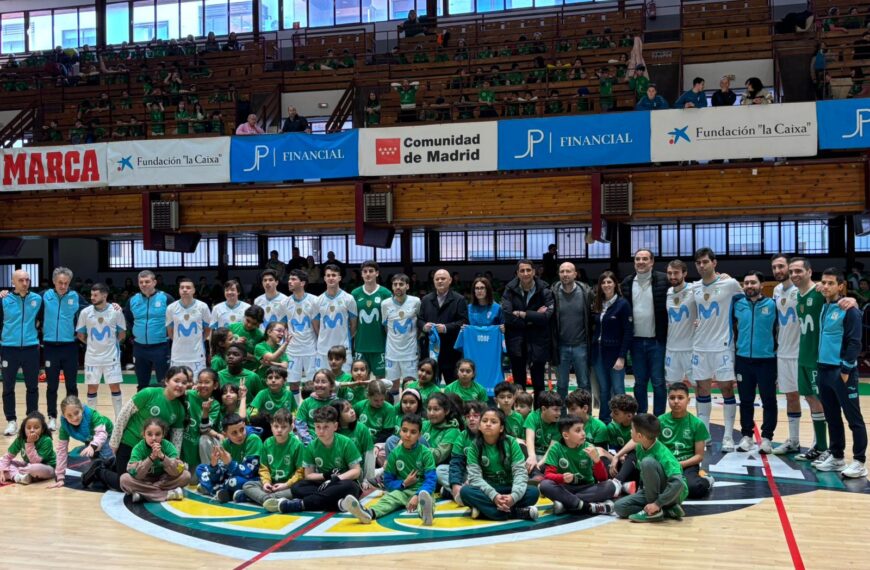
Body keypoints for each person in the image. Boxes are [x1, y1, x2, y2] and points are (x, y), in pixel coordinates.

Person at [84, 367, 187, 491]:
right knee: (122, 483)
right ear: (166, 381)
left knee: (152, 478)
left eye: (184, 383)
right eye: (176, 381)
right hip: (129, 444)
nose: (180, 385)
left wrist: (174, 461)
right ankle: (99, 470)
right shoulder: (149, 393)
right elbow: (123, 415)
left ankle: (141, 484)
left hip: (154, 451)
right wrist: (115, 442)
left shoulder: (180, 409)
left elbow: (177, 438)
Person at [815, 269, 867, 478]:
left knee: (853, 418)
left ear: (841, 285)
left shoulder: (849, 310)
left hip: (841, 372)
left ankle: (859, 461)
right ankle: (837, 457)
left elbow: (855, 342)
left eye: (830, 283)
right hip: (823, 370)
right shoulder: (825, 306)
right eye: (823, 283)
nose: (826, 286)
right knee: (832, 417)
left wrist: (846, 369)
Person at [691, 248, 742, 451]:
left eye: (705, 262)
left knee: (726, 389)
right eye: (698, 263)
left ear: (714, 262)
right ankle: (705, 436)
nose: (702, 266)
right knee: (701, 390)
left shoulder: (729, 284)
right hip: (699, 346)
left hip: (722, 346)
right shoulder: (693, 287)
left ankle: (728, 436)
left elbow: (746, 301)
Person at [345, 413, 436, 525]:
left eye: (413, 432)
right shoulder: (394, 454)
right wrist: (404, 483)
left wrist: (417, 495)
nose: (408, 435)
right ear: (400, 432)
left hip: (422, 489)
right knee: (388, 499)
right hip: (403, 490)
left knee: (427, 500)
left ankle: (426, 514)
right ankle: (368, 513)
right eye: (404, 430)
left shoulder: (426, 453)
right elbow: (388, 482)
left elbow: (431, 479)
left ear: (419, 435)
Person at [273, 406, 363, 513]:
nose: (321, 431)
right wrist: (325, 476)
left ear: (335, 426)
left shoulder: (346, 443)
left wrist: (337, 479)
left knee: (350, 487)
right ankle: (339, 504)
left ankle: (300, 504)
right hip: (324, 483)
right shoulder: (311, 446)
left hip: (344, 482)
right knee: (297, 487)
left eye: (326, 427)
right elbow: (308, 475)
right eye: (318, 427)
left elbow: (356, 471)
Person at [461, 408, 540, 521]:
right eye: (484, 421)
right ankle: (516, 513)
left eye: (493, 422)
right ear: (479, 426)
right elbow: (475, 478)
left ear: (501, 428)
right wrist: (494, 496)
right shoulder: (474, 446)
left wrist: (513, 497)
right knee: (465, 492)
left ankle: (486, 512)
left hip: (510, 488)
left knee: (533, 492)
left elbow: (520, 473)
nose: (488, 424)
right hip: (488, 491)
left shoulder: (511, 442)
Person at [732, 271, 778, 454]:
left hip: (767, 360)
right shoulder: (737, 305)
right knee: (745, 400)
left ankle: (767, 438)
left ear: (762, 284)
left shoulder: (772, 305)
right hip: (743, 360)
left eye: (753, 282)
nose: (749, 286)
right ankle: (747, 437)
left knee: (769, 400)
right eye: (746, 282)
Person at [613, 413, 688, 522]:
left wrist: (657, 503)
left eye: (632, 429)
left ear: (639, 436)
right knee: (619, 507)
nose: (630, 431)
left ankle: (655, 511)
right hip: (651, 492)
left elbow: (678, 483)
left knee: (647, 462)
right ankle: (667, 510)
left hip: (673, 493)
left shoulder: (663, 454)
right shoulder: (639, 447)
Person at [620, 249, 669, 416]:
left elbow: (683, 287)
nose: (641, 262)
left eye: (645, 259)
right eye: (638, 259)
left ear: (652, 262)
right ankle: (641, 417)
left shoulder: (664, 280)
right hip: (636, 342)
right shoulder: (626, 283)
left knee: (658, 382)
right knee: (640, 383)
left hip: (657, 341)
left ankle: (659, 418)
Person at [539, 416, 620, 515]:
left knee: (610, 486)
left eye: (583, 429)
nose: (583, 433)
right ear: (566, 435)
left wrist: (597, 461)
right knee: (545, 485)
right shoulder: (556, 448)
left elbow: (602, 478)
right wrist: (562, 478)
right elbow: (548, 475)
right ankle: (587, 507)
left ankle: (566, 504)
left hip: (586, 488)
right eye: (578, 431)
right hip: (565, 487)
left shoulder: (589, 448)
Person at [502, 260, 554, 404]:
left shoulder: (545, 290)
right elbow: (507, 315)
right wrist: (533, 317)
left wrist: (523, 314)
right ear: (517, 273)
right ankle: (519, 415)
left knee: (539, 383)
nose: (525, 273)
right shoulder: (509, 290)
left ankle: (538, 416)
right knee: (518, 383)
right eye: (522, 271)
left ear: (534, 272)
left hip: (538, 342)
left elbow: (547, 317)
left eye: (528, 270)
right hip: (516, 342)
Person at [769, 256, 804, 455]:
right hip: (783, 352)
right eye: (774, 267)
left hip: (802, 353)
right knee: (791, 396)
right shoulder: (776, 291)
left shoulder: (805, 289)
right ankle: (794, 440)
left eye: (781, 266)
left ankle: (819, 444)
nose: (778, 270)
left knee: (813, 398)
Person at [1, 269, 42, 435]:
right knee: (8, 387)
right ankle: (11, 421)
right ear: (13, 283)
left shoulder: (38, 299)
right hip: (9, 349)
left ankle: (31, 421)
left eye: (27, 280)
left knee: (32, 386)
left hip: (31, 349)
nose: (25, 283)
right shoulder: (3, 300)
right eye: (21, 280)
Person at [76, 283, 127, 419]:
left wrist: (110, 344)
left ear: (105, 295)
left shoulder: (116, 311)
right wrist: (93, 344)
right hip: (92, 357)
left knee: (115, 388)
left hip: (111, 357)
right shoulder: (85, 312)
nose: (92, 297)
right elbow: (80, 335)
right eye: (91, 295)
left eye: (95, 295)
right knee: (92, 389)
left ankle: (119, 420)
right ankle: (93, 420)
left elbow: (122, 334)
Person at [591, 272, 633, 424]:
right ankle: (604, 421)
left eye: (609, 282)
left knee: (618, 390)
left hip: (615, 354)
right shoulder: (598, 304)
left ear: (615, 284)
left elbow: (628, 332)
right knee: (603, 390)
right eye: (603, 282)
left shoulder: (622, 304)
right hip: (598, 354)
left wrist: (622, 356)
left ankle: (622, 422)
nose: (606, 285)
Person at [658, 382, 713, 498]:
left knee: (695, 488)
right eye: (672, 398)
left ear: (688, 400)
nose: (676, 401)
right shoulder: (660, 421)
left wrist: (679, 464)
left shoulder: (697, 424)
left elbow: (699, 456)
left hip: (687, 464)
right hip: (665, 463)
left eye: (680, 398)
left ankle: (707, 480)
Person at [124, 269, 174, 391]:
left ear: (154, 282)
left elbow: (174, 320)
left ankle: (163, 409)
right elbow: (129, 320)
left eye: (147, 281)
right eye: (141, 282)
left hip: (161, 346)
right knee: (142, 384)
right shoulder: (132, 300)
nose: (144, 284)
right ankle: (142, 409)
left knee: (164, 383)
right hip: (139, 348)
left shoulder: (166, 298)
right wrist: (135, 336)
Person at [195, 413, 263, 502]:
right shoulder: (225, 443)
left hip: (252, 478)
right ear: (225, 434)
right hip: (230, 477)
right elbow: (217, 477)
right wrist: (213, 466)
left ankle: (213, 489)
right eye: (234, 433)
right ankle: (226, 492)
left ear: (245, 425)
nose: (239, 435)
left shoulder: (253, 439)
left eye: (242, 429)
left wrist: (230, 463)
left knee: (235, 482)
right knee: (200, 468)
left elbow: (249, 472)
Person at [244, 408, 305, 507]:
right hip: (272, 483)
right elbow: (264, 468)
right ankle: (268, 499)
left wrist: (286, 485)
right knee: (248, 485)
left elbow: (300, 472)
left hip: (288, 485)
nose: (279, 430)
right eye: (276, 426)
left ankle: (262, 498)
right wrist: (266, 483)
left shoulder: (297, 445)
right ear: (271, 426)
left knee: (298, 490)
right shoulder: (267, 443)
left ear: (290, 428)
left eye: (284, 427)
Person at [120, 418, 190, 503]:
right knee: (124, 479)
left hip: (164, 480)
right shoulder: (138, 448)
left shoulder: (168, 446)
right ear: (144, 435)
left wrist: (162, 457)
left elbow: (176, 472)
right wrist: (151, 458)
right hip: (145, 481)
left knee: (186, 475)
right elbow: (137, 475)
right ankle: (167, 494)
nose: (153, 438)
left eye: (157, 434)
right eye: (149, 434)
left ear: (163, 435)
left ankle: (144, 494)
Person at [551, 262, 593, 400]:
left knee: (584, 384)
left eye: (568, 271)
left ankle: (584, 417)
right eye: (562, 271)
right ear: (558, 274)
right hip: (561, 346)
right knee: (561, 385)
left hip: (581, 345)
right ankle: (561, 417)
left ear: (575, 274)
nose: (565, 274)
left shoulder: (586, 293)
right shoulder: (552, 294)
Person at [418, 269, 469, 384]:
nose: (440, 281)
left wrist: (446, 328)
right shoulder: (426, 299)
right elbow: (420, 319)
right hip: (431, 352)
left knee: (452, 386)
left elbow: (464, 321)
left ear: (450, 280)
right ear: (433, 281)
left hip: (451, 351)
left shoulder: (459, 299)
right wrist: (424, 326)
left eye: (443, 279)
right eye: (437, 279)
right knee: (430, 386)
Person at [351, 261, 391, 381]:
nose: (368, 274)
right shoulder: (355, 293)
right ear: (362, 274)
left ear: (377, 273)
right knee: (361, 380)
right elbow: (352, 320)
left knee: (381, 381)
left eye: (371, 271)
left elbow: (389, 321)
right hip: (361, 344)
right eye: (365, 271)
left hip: (380, 345)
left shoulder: (385, 293)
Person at [381, 273, 421, 392]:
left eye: (401, 284)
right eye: (395, 284)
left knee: (411, 385)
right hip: (392, 352)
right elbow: (386, 327)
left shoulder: (416, 301)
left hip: (410, 352)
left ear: (407, 286)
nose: (398, 287)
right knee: (392, 386)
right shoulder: (385, 304)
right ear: (392, 287)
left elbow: (419, 323)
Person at [166, 277, 212, 377]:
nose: (185, 290)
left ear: (194, 290)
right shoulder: (171, 308)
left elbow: (208, 330)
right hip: (177, 355)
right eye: (182, 287)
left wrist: (199, 340)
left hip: (197, 355)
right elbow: (170, 332)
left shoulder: (202, 307)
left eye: (188, 287)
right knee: (178, 383)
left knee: (196, 385)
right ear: (179, 290)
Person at [316, 265, 357, 373]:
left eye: (334, 275)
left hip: (343, 348)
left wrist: (346, 337)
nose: (331, 278)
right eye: (328, 275)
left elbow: (354, 325)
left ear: (339, 278)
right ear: (324, 278)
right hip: (323, 349)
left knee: (345, 382)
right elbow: (316, 326)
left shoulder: (349, 299)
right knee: (323, 382)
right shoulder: (318, 300)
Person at [0, 411, 55, 485]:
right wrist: (2, 471)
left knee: (34, 468)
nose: (32, 430)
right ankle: (19, 477)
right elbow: (8, 457)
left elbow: (35, 462)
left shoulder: (46, 440)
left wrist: (30, 443)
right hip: (28, 465)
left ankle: (16, 473)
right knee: (2, 460)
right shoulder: (21, 439)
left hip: (47, 467)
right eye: (28, 427)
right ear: (24, 428)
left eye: (36, 427)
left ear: (42, 429)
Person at [664, 260, 695, 388]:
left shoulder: (695, 289)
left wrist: (723, 277)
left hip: (691, 349)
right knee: (672, 387)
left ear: (685, 273)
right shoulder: (668, 292)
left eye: (676, 273)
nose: (672, 276)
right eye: (669, 273)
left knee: (699, 386)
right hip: (671, 349)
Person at [523, 391, 563, 481]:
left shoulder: (559, 423)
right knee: (520, 444)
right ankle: (538, 476)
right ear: (544, 409)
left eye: (560, 409)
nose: (559, 413)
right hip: (532, 454)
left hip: (547, 457)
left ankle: (537, 475)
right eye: (556, 410)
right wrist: (532, 457)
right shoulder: (533, 416)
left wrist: (538, 465)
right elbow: (529, 439)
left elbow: (551, 449)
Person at [296, 369, 339, 444]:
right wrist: (310, 443)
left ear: (331, 385)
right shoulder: (306, 402)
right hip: (310, 444)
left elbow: (341, 425)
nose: (319, 385)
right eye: (317, 381)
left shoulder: (337, 402)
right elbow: (300, 425)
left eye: (323, 381)